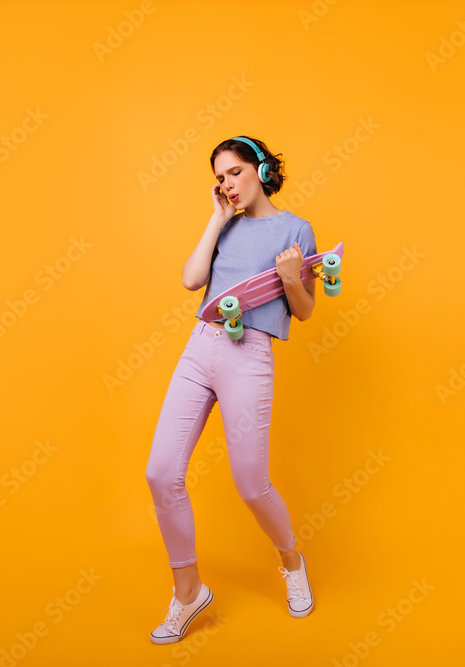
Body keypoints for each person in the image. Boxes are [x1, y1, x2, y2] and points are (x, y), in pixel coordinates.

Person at [145, 136, 316, 644]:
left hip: (250, 354)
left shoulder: (295, 229)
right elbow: (190, 278)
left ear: (261, 170)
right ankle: (188, 592)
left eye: (236, 172)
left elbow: (305, 310)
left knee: (250, 483)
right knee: (160, 472)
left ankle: (291, 560)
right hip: (201, 347)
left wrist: (290, 278)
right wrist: (217, 218)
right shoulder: (226, 225)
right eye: (220, 177)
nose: (227, 184)